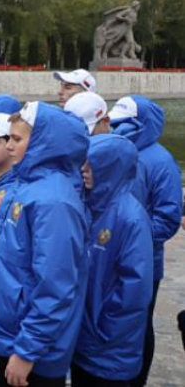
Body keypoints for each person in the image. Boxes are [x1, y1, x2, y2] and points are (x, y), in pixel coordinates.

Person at [0, 102, 89, 387]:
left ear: (45, 142)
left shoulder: (53, 201)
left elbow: (56, 284)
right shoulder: (28, 185)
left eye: (16, 139)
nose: (8, 147)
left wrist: (27, 350)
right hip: (12, 336)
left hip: (29, 351)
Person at [108, 95, 183, 385]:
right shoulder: (116, 152)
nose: (119, 128)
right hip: (109, 255)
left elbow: (167, 219)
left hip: (145, 262)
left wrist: (130, 240)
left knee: (140, 324)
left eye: (125, 123)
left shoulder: (161, 161)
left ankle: (137, 378)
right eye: (116, 123)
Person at [72, 134, 153, 387]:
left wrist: (103, 331)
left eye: (91, 164)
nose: (83, 170)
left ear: (110, 166)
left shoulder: (131, 218)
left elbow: (135, 289)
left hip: (107, 346)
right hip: (84, 339)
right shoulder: (90, 204)